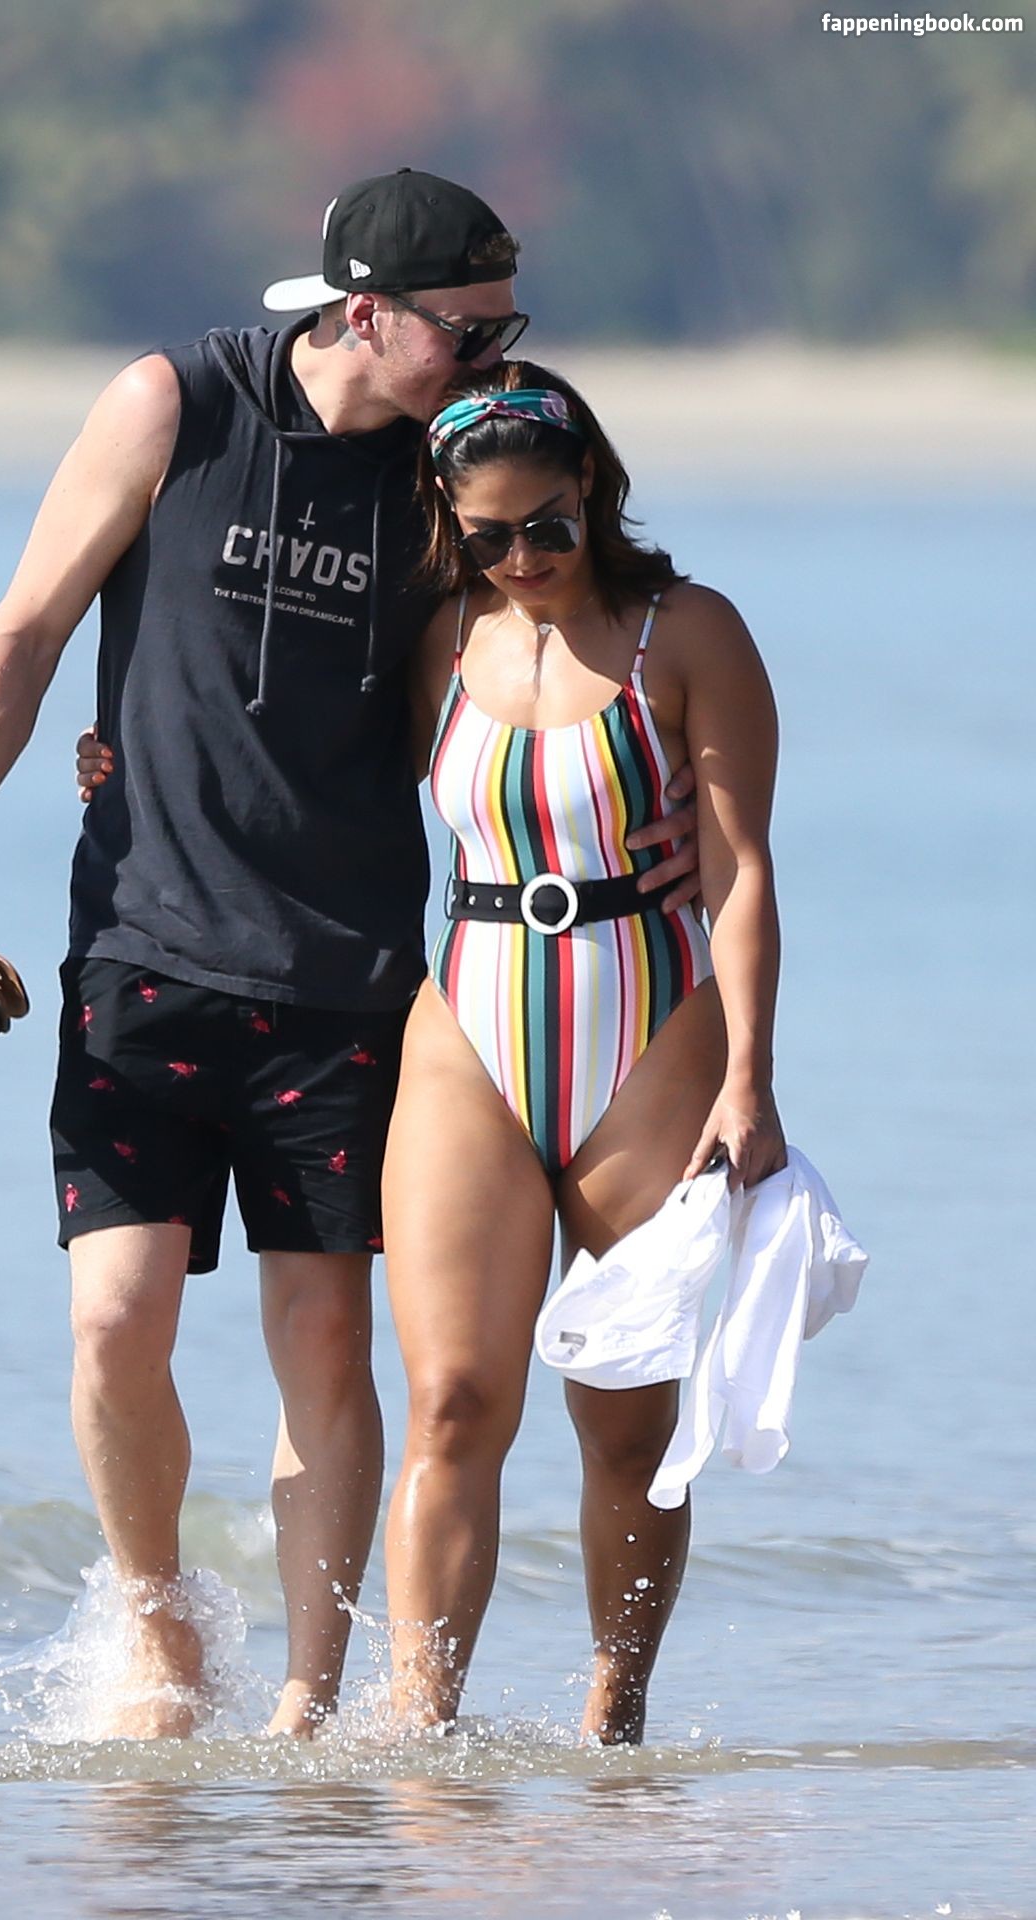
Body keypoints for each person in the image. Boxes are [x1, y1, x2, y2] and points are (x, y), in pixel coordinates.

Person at [0, 170, 700, 1741]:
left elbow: (573, 637)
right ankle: (159, 1632)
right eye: (469, 329)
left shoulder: (452, 473)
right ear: (366, 311)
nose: (495, 356)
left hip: (345, 970)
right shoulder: (175, 405)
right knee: (114, 1321)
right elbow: (25, 633)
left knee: (322, 1338)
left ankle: (307, 1712)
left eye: (508, 327)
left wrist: (670, 825)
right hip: (143, 942)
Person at [376, 363, 785, 1745]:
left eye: (546, 526)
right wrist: (116, 756)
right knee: (452, 1402)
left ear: (593, 488)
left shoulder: (689, 632)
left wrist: (750, 1080)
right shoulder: (441, 636)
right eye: (489, 536)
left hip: (651, 1029)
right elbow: (304, 779)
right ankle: (420, 1733)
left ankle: (615, 1718)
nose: (523, 560)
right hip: (470, 1025)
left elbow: (740, 870)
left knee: (623, 1420)